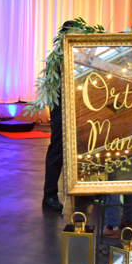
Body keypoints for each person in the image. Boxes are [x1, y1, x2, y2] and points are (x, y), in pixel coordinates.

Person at [41, 21, 79, 211]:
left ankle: (84, 189)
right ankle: (49, 195)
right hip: (61, 111)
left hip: (79, 110)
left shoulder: (79, 55)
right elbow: (55, 88)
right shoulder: (56, 59)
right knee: (57, 151)